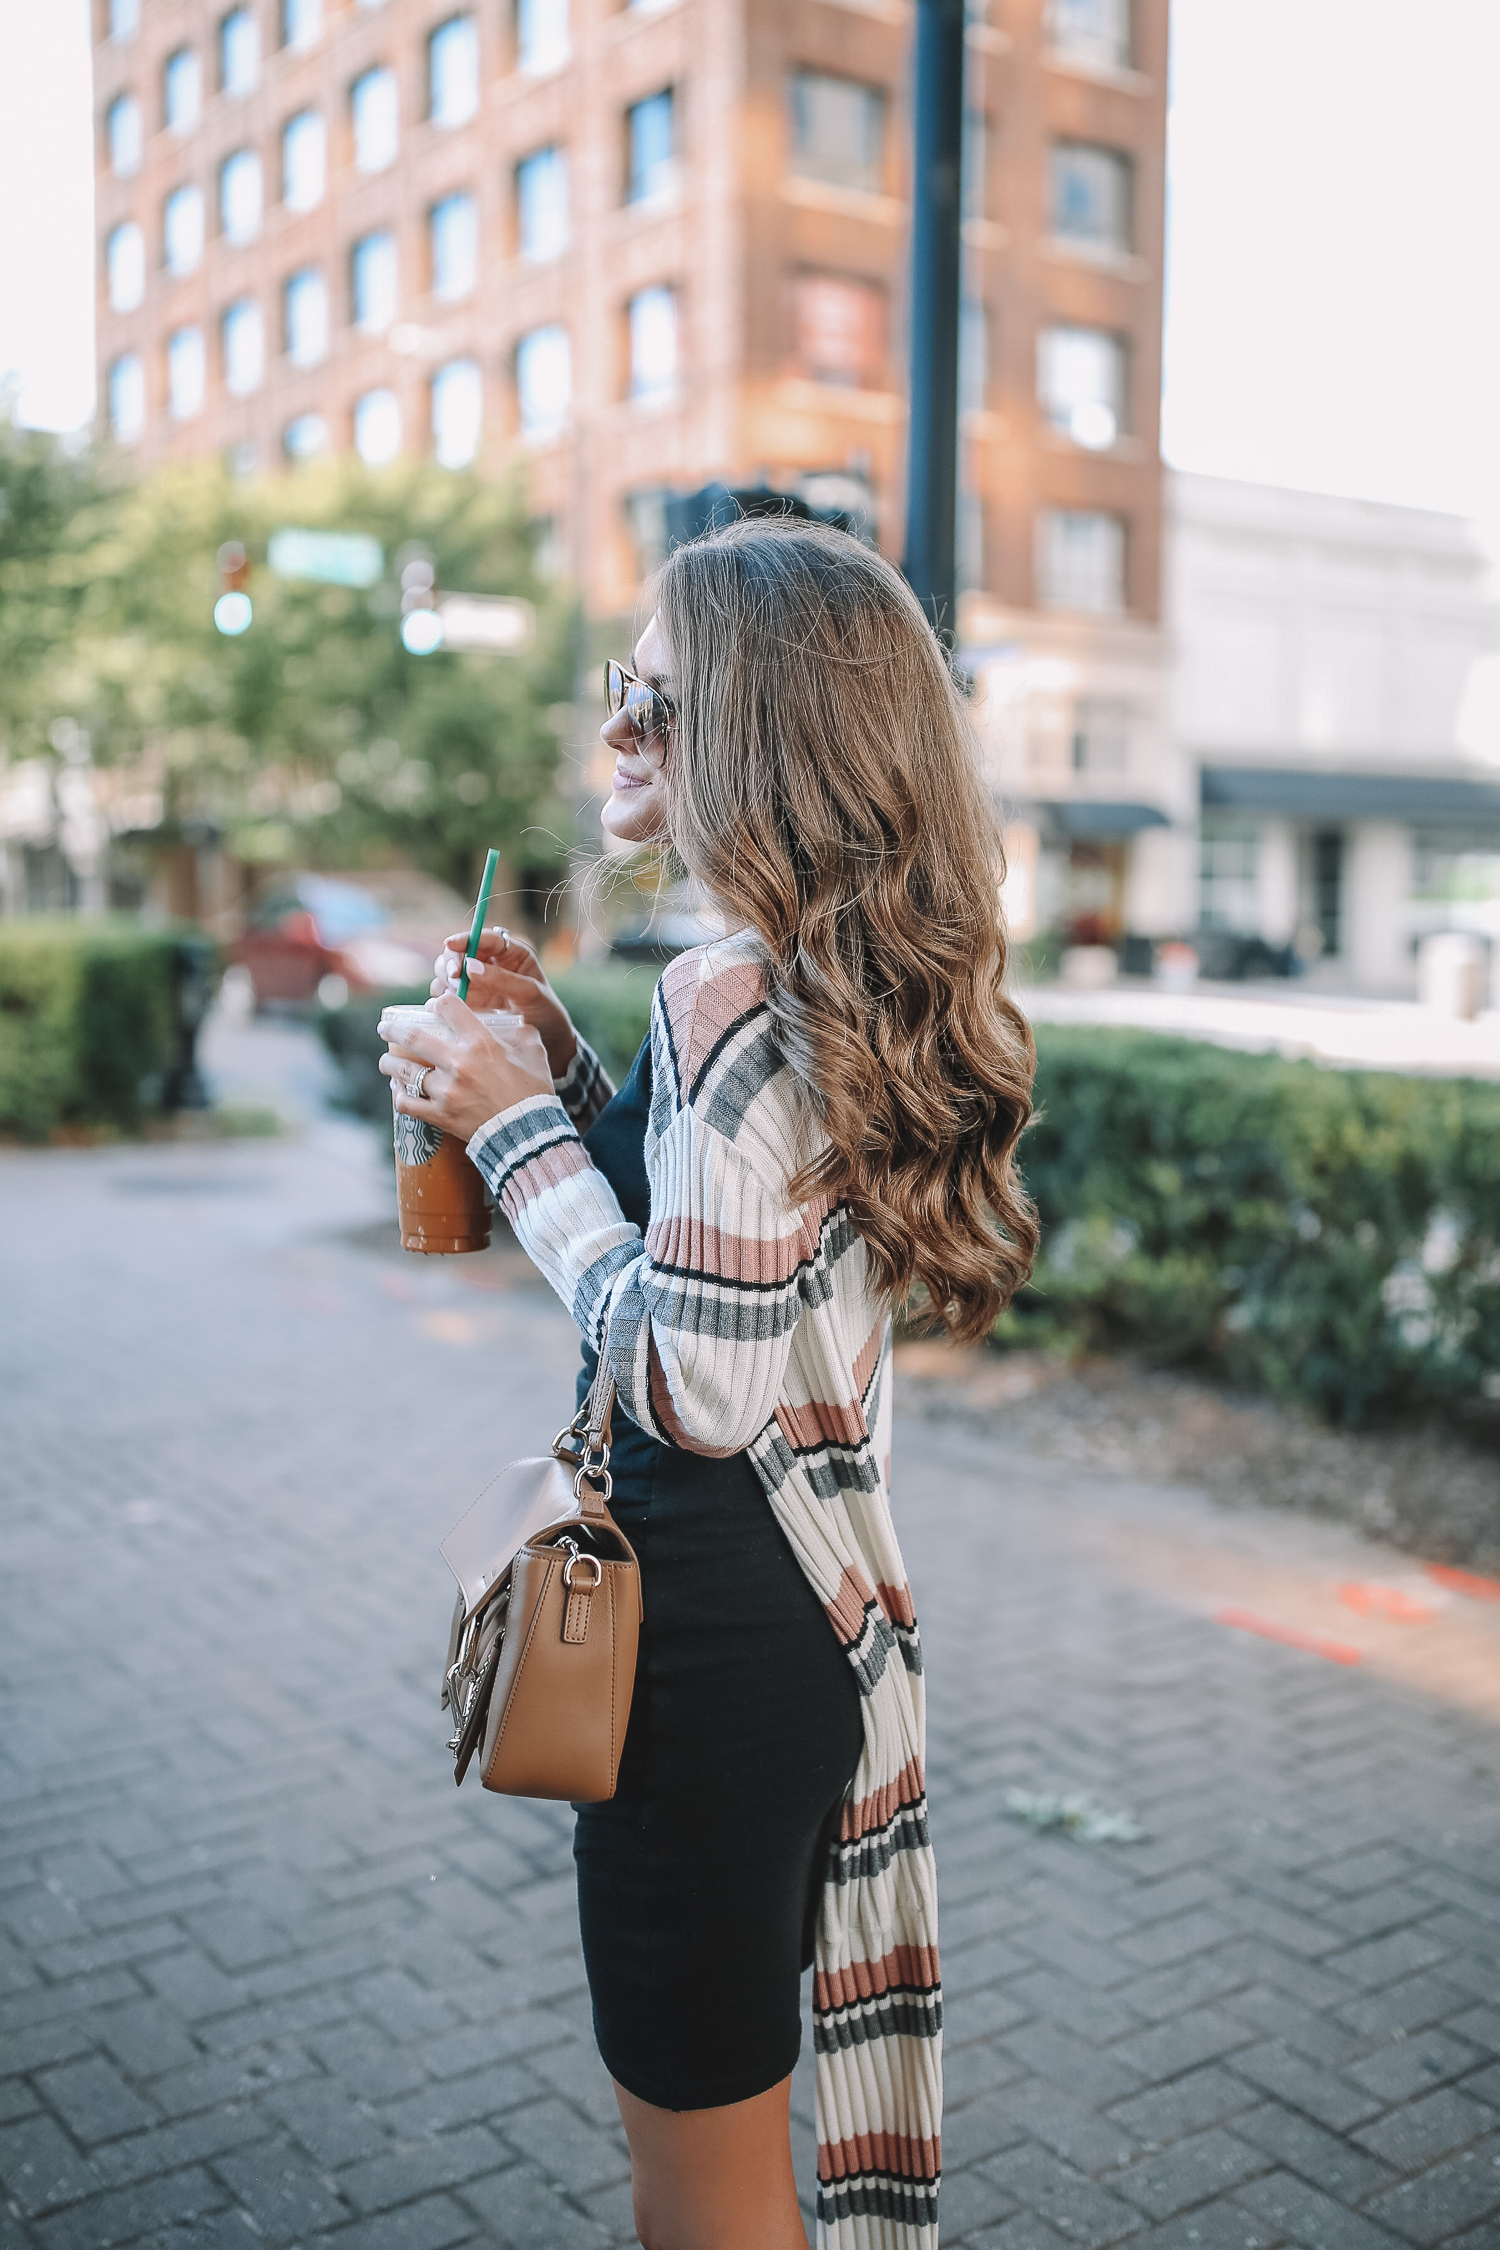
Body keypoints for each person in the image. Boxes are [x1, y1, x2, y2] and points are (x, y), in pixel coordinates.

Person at [380, 519, 1037, 2250]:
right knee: (735, 2139)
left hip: (711, 1643)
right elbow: (725, 1232)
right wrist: (572, 1068)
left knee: (707, 2189)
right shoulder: (818, 988)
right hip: (803, 1619)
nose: (614, 735)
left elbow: (692, 1377)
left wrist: (506, 1128)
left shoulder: (726, 990)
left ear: (749, 731)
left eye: (647, 702)